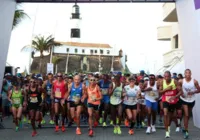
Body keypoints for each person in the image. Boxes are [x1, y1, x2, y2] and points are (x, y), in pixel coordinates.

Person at [159, 71, 182, 138]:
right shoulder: (162, 82)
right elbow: (160, 92)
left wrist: (175, 96)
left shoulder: (174, 81)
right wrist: (166, 89)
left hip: (173, 101)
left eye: (168, 76)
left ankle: (175, 125)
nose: (166, 78)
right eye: (165, 76)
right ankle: (167, 132)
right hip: (165, 100)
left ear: (170, 76)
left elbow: (181, 91)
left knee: (172, 116)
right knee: (165, 114)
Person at [179, 69, 200, 139]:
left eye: (189, 73)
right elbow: (178, 88)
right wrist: (181, 93)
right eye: (186, 73)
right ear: (184, 74)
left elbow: (199, 90)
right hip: (184, 99)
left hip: (191, 100)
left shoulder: (194, 81)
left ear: (191, 74)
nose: (187, 74)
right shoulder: (181, 81)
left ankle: (184, 127)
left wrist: (193, 92)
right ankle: (186, 131)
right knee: (186, 114)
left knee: (187, 116)